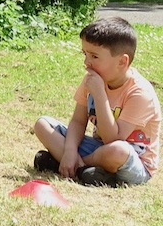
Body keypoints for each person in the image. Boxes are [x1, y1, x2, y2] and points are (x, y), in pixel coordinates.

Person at [33, 17, 161, 186]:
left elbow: (113, 139)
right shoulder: (92, 80)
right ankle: (83, 169)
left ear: (122, 61)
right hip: (99, 150)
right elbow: (78, 121)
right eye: (85, 54)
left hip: (131, 162)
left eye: (94, 56)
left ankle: (71, 165)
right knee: (43, 124)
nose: (87, 63)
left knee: (117, 150)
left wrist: (100, 94)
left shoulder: (140, 93)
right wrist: (70, 150)